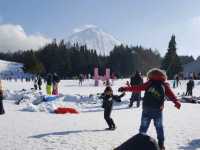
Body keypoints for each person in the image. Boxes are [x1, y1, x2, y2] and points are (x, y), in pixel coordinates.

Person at [119, 68, 181, 150]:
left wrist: (125, 88)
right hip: (158, 111)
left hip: (146, 109)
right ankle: (161, 144)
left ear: (151, 75)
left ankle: (139, 143)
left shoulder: (149, 83)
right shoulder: (164, 84)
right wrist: (176, 101)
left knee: (143, 128)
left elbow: (138, 88)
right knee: (159, 128)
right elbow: (171, 94)